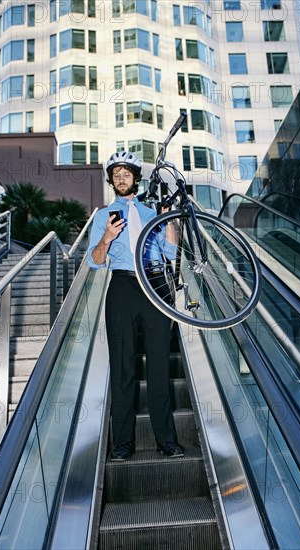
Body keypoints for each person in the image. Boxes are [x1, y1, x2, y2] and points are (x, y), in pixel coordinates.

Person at [88, 151, 184, 460]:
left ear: (135, 178)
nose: (120, 177)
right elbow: (94, 261)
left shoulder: (150, 210)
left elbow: (170, 251)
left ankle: (166, 440)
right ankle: (123, 443)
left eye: (125, 172)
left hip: (153, 282)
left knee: (158, 365)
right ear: (111, 180)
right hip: (122, 285)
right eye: (115, 173)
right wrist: (106, 238)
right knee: (123, 367)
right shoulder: (104, 215)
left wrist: (169, 218)